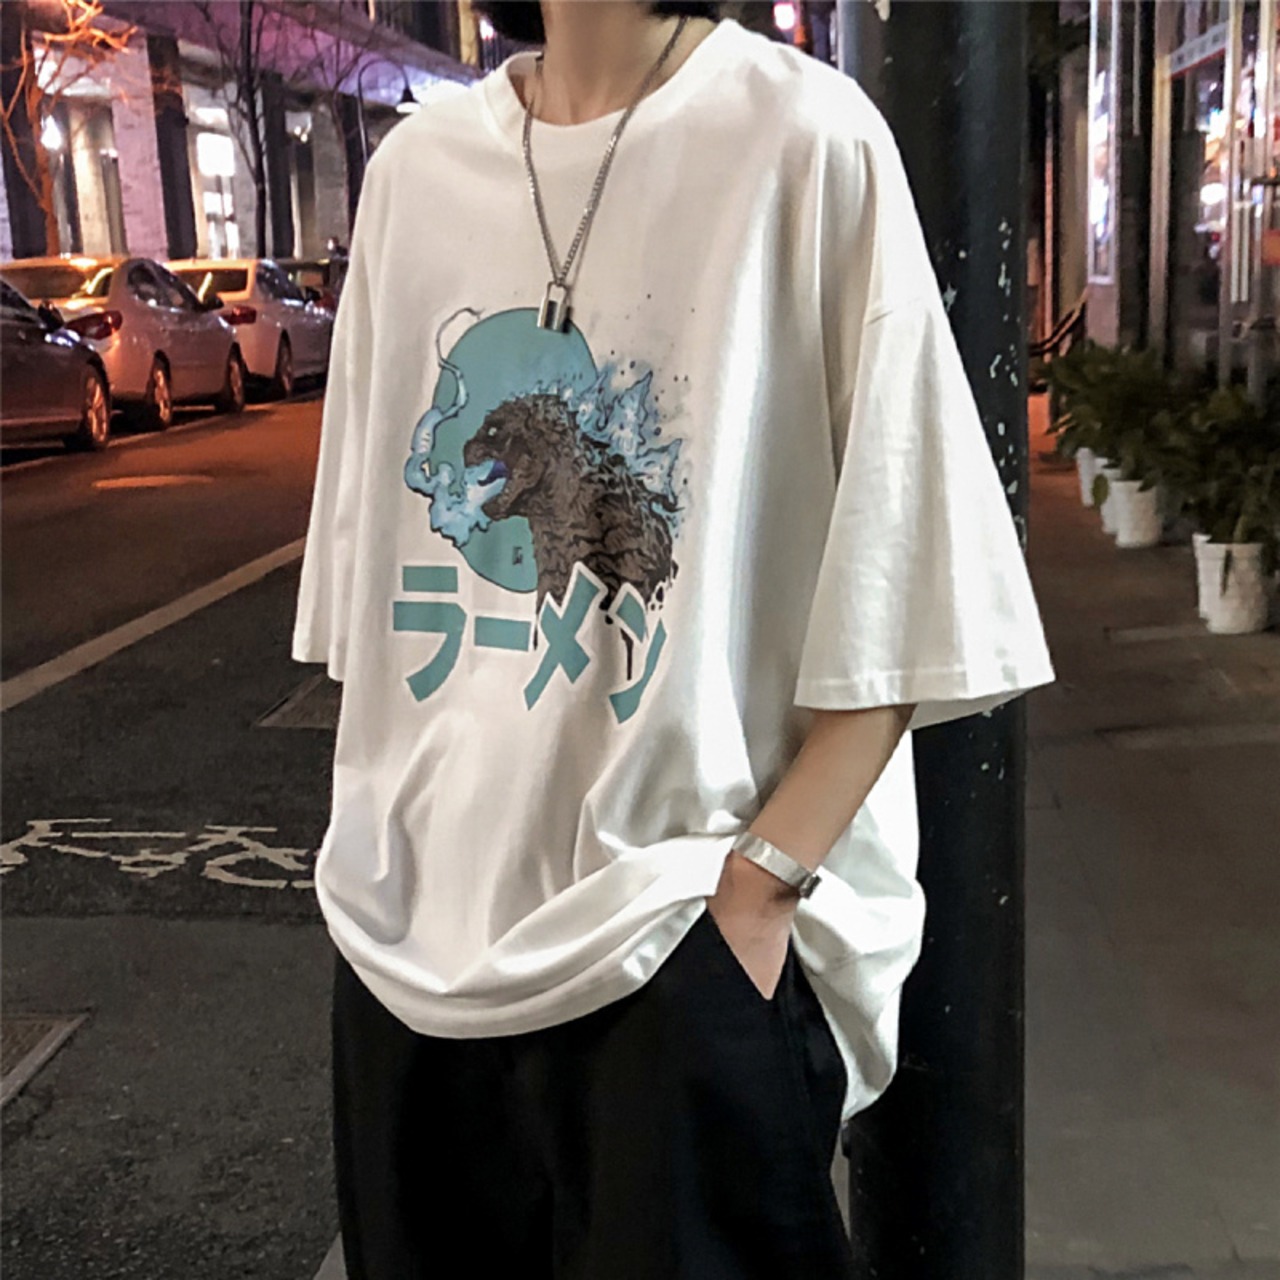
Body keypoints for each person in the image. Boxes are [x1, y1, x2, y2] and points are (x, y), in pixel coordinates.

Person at [291, 3, 1055, 1276]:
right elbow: (369, 598)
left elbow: (913, 580)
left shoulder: (802, 141)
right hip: (407, 955)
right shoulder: (412, 176)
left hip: (677, 952)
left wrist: (754, 894)